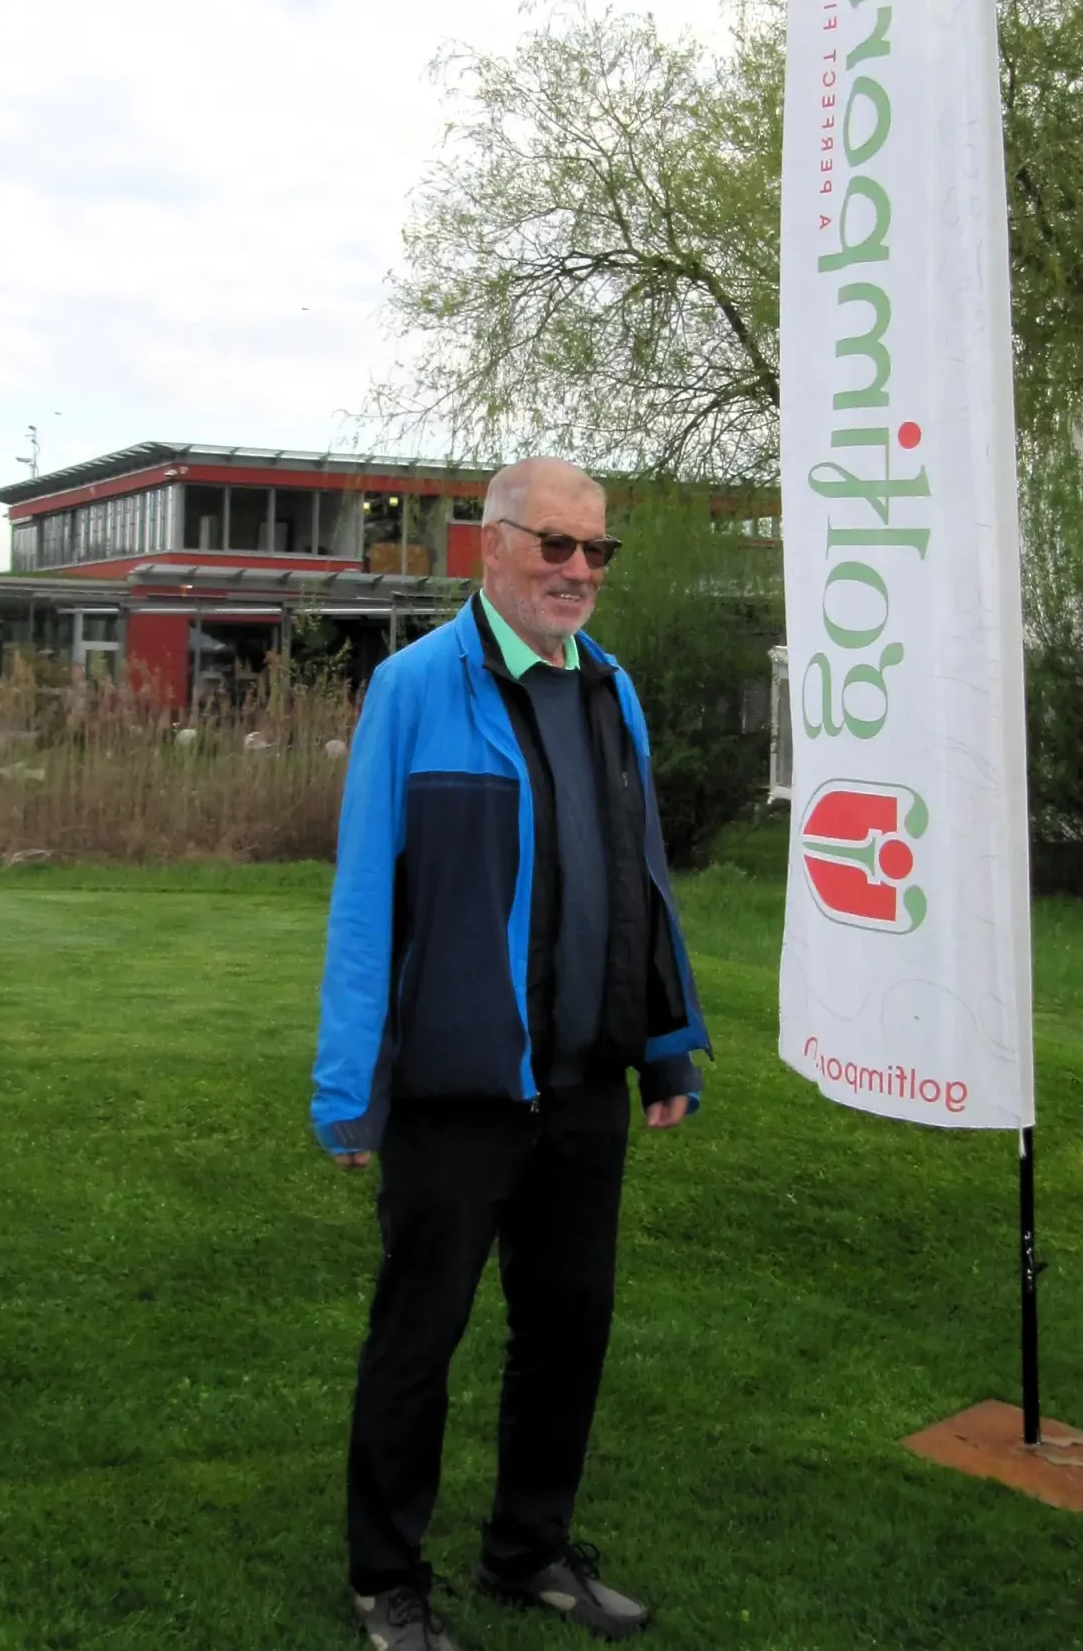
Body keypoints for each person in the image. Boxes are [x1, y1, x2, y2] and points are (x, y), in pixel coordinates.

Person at [313, 458, 709, 1651]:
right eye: (555, 545)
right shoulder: (413, 689)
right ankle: (387, 1577)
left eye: (597, 551)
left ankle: (528, 1549)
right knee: (418, 1338)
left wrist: (667, 1046)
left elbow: (640, 882)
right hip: (456, 1093)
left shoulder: (611, 692)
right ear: (490, 547)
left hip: (585, 1085)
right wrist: (350, 1088)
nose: (578, 571)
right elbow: (364, 902)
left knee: (568, 1329)